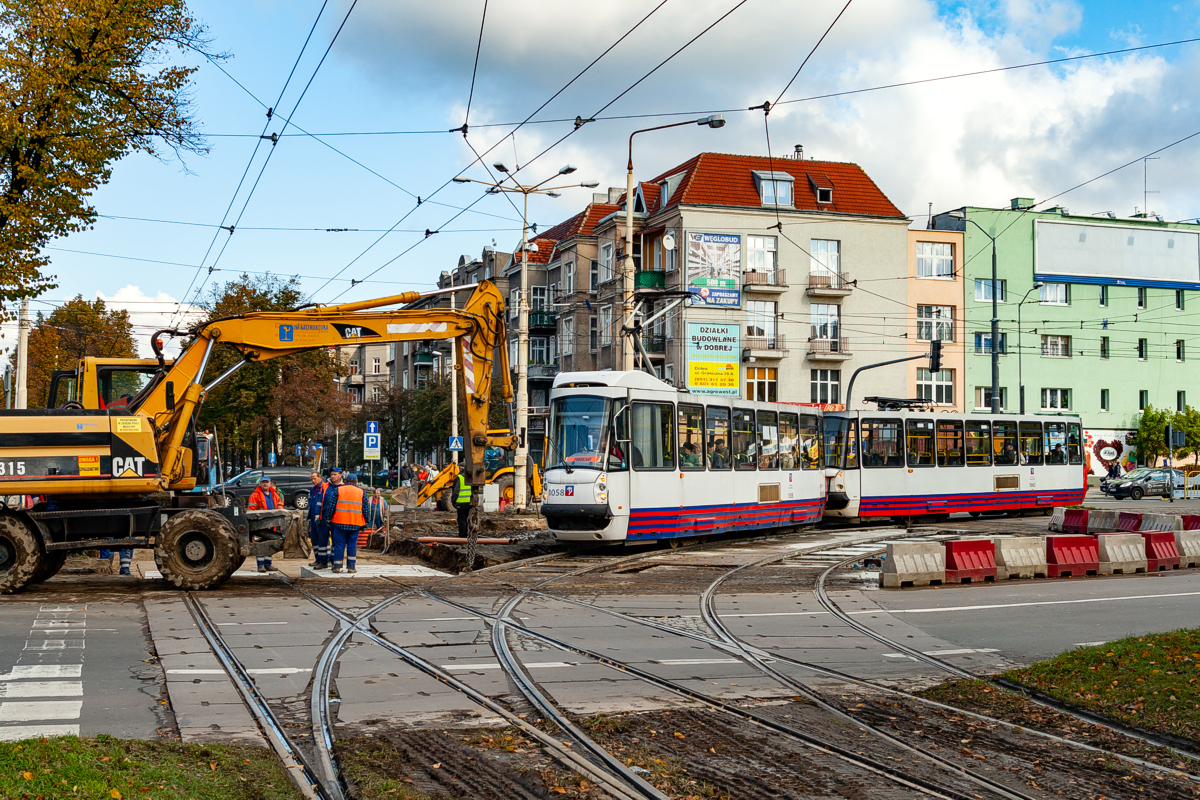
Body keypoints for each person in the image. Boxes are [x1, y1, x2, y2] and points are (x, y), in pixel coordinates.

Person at [323, 470, 368, 573]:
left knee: (339, 545)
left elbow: (331, 506)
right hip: (355, 523)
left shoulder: (339, 490)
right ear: (356, 482)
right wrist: (366, 522)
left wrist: (328, 518)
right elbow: (366, 509)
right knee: (352, 545)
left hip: (339, 522)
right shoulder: (361, 492)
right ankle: (351, 567)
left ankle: (337, 566)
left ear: (346, 480)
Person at [248, 475, 284, 572]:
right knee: (261, 544)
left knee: (270, 544)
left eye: (266, 482)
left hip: (272, 524)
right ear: (260, 484)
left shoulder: (275, 495)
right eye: (263, 482)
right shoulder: (255, 495)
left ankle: (268, 564)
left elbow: (280, 506)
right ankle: (260, 565)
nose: (265, 484)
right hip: (261, 525)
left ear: (270, 484)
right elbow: (251, 511)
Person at [307, 471, 331, 570]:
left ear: (319, 477)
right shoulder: (313, 489)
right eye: (311, 479)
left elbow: (324, 504)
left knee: (323, 540)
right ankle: (318, 559)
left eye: (314, 478)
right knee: (314, 539)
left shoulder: (325, 488)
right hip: (313, 518)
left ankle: (325, 560)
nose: (313, 480)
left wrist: (321, 517)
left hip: (321, 518)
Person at [454, 469, 472, 538]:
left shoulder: (459, 478)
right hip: (469, 503)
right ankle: (468, 533)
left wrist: (453, 501)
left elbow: (456, 491)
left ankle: (462, 534)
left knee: (461, 519)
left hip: (461, 503)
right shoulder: (471, 477)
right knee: (469, 519)